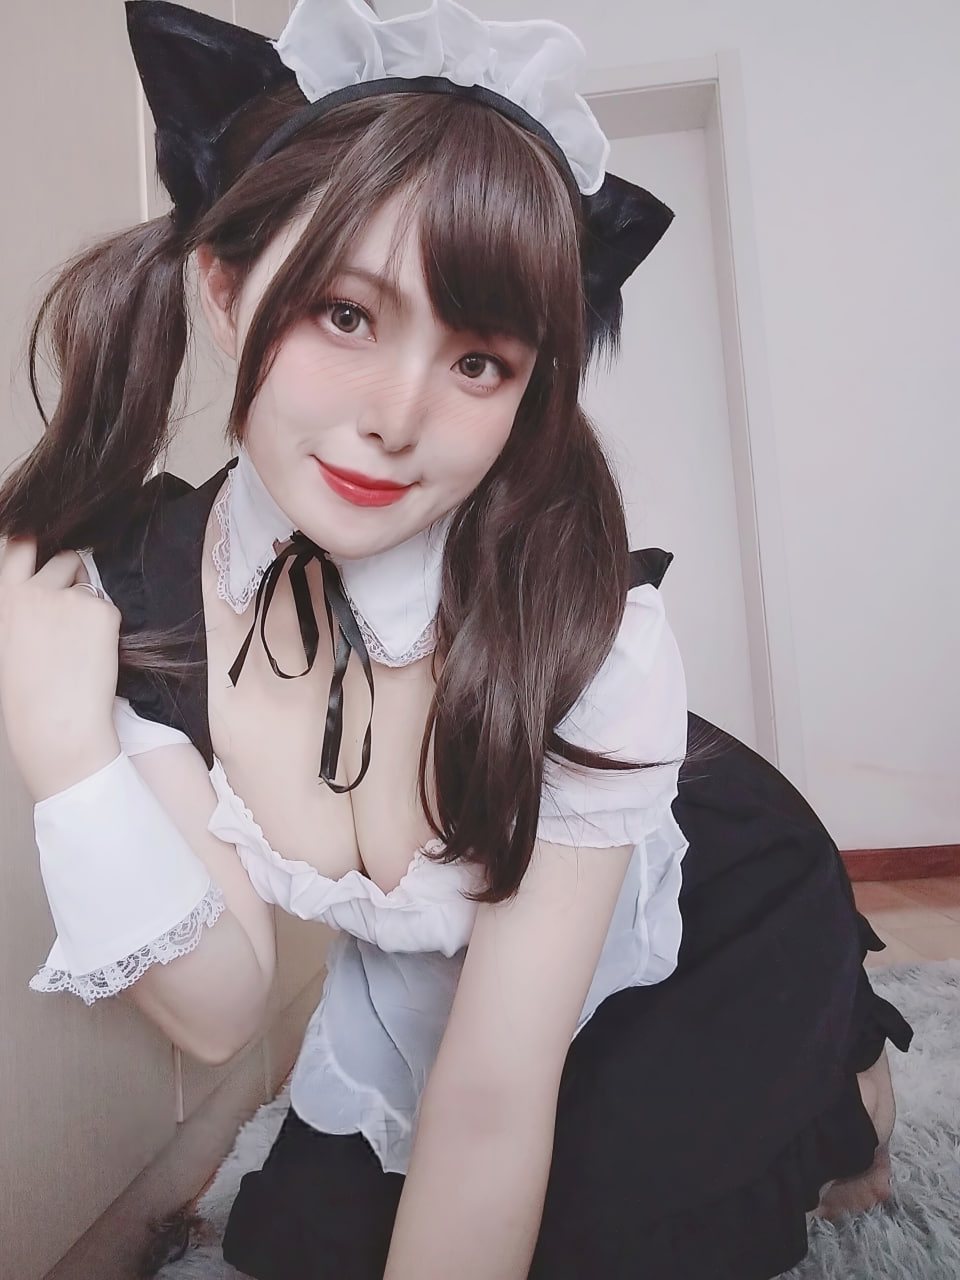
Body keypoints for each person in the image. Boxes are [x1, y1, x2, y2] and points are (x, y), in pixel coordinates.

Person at [0, 1, 913, 1277]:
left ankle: (842, 1078)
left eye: (479, 360)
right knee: (298, 1244)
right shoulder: (150, 591)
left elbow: (492, 1092)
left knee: (615, 1239)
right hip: (445, 969)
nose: (399, 415)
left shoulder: (594, 641)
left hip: (709, 907)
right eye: (346, 313)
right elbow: (217, 1013)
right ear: (225, 289)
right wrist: (64, 749)